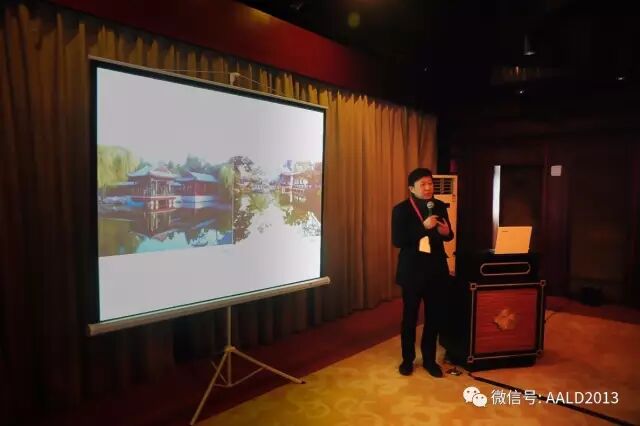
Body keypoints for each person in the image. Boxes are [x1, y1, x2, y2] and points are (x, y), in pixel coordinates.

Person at [392, 168, 454, 377]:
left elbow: (447, 235)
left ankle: (429, 360)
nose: (428, 188)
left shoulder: (439, 206)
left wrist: (447, 233)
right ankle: (407, 360)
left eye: (430, 183)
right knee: (410, 317)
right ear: (412, 189)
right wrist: (423, 227)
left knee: (434, 317)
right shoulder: (401, 210)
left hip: (436, 270)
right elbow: (398, 240)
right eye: (423, 185)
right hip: (412, 271)